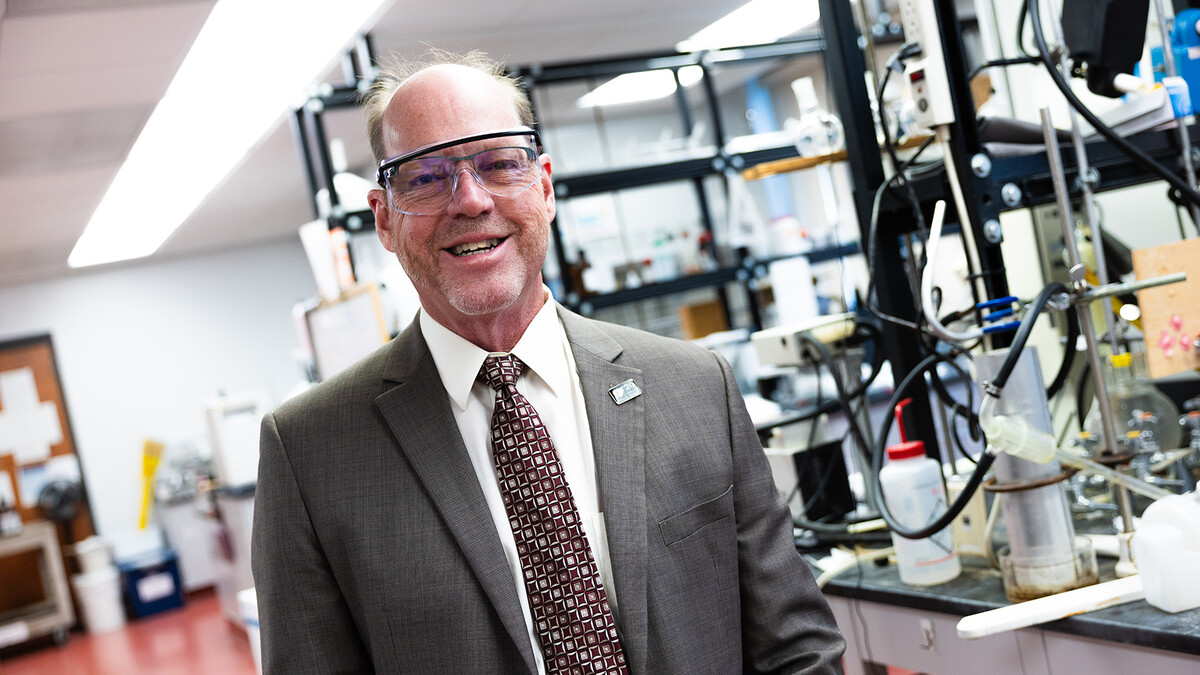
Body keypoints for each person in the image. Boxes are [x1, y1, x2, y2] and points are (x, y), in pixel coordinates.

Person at [251, 49, 846, 674]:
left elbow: (796, 648)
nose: (470, 201)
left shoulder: (695, 388)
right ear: (384, 218)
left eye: (499, 164)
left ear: (544, 185)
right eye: (425, 177)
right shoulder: (311, 452)